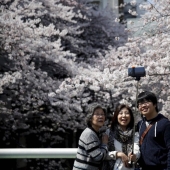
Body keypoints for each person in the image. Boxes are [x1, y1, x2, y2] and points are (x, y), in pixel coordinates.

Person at [136, 91, 170, 170]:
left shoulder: (165, 124)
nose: (143, 105)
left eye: (147, 102)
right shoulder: (140, 124)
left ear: (154, 104)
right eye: (140, 104)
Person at [102, 104, 140, 170]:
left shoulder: (135, 133)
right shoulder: (108, 132)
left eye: (127, 113)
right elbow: (102, 153)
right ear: (116, 116)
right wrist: (118, 154)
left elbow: (136, 148)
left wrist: (135, 155)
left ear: (131, 117)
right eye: (120, 113)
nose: (124, 116)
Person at [73, 103, 109, 170]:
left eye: (102, 114)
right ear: (90, 117)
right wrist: (104, 144)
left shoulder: (96, 133)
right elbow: (98, 157)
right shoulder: (88, 134)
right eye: (97, 114)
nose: (101, 116)